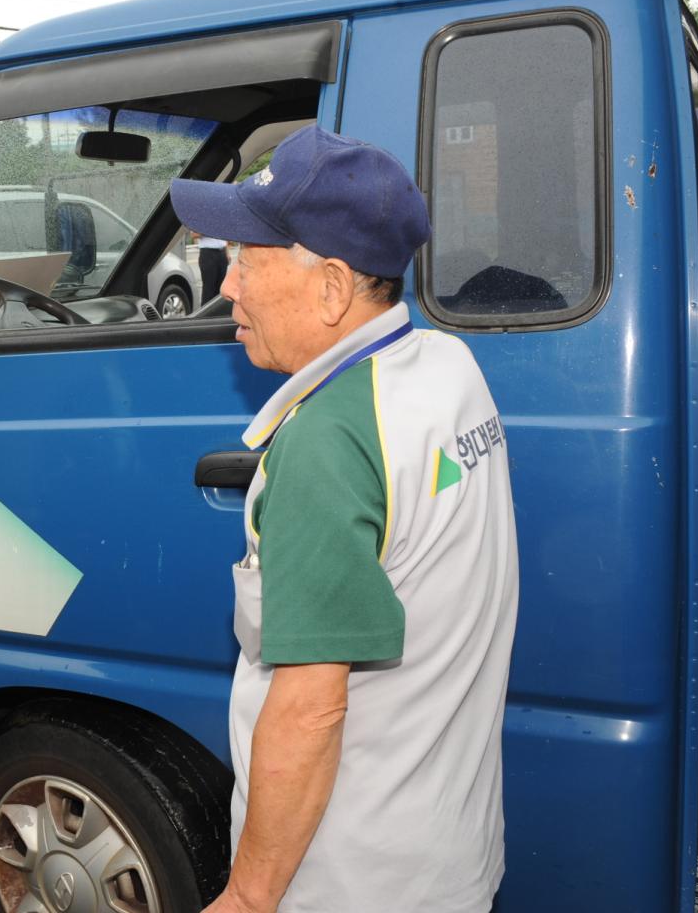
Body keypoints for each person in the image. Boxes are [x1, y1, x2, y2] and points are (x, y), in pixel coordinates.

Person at [171, 126, 519, 912]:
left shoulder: (328, 443)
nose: (227, 287)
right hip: (450, 853)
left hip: (348, 878)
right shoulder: (446, 371)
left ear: (331, 286)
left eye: (244, 262)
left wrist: (250, 896)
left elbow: (311, 704)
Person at [196, 232, 229, 305]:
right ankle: (205, 316)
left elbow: (224, 237)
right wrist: (210, 227)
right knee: (209, 290)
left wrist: (227, 253)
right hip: (208, 254)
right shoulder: (201, 220)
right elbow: (194, 234)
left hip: (222, 253)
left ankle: (219, 314)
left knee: (221, 290)